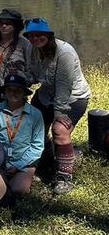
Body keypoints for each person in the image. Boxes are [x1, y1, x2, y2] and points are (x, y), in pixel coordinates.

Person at [24, 18, 90, 195]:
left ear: (49, 35)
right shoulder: (31, 48)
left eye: (40, 35)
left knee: (60, 129)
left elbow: (63, 87)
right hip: (46, 95)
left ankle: (64, 176)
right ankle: (47, 158)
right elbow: (34, 75)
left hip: (72, 97)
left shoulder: (64, 53)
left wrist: (59, 114)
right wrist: (23, 78)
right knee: (32, 125)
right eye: (31, 35)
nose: (35, 39)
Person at [0, 73, 45, 205]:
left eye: (17, 90)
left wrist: (18, 165)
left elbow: (37, 146)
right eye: (9, 90)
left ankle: (24, 179)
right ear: (5, 92)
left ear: (24, 93)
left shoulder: (35, 114)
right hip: (0, 160)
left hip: (24, 162)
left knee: (17, 190)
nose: (13, 93)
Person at [0, 9, 33, 111]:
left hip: (13, 92)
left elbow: (32, 74)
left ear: (16, 26)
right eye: (1, 23)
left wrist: (19, 75)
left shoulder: (25, 45)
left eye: (8, 23)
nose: (4, 26)